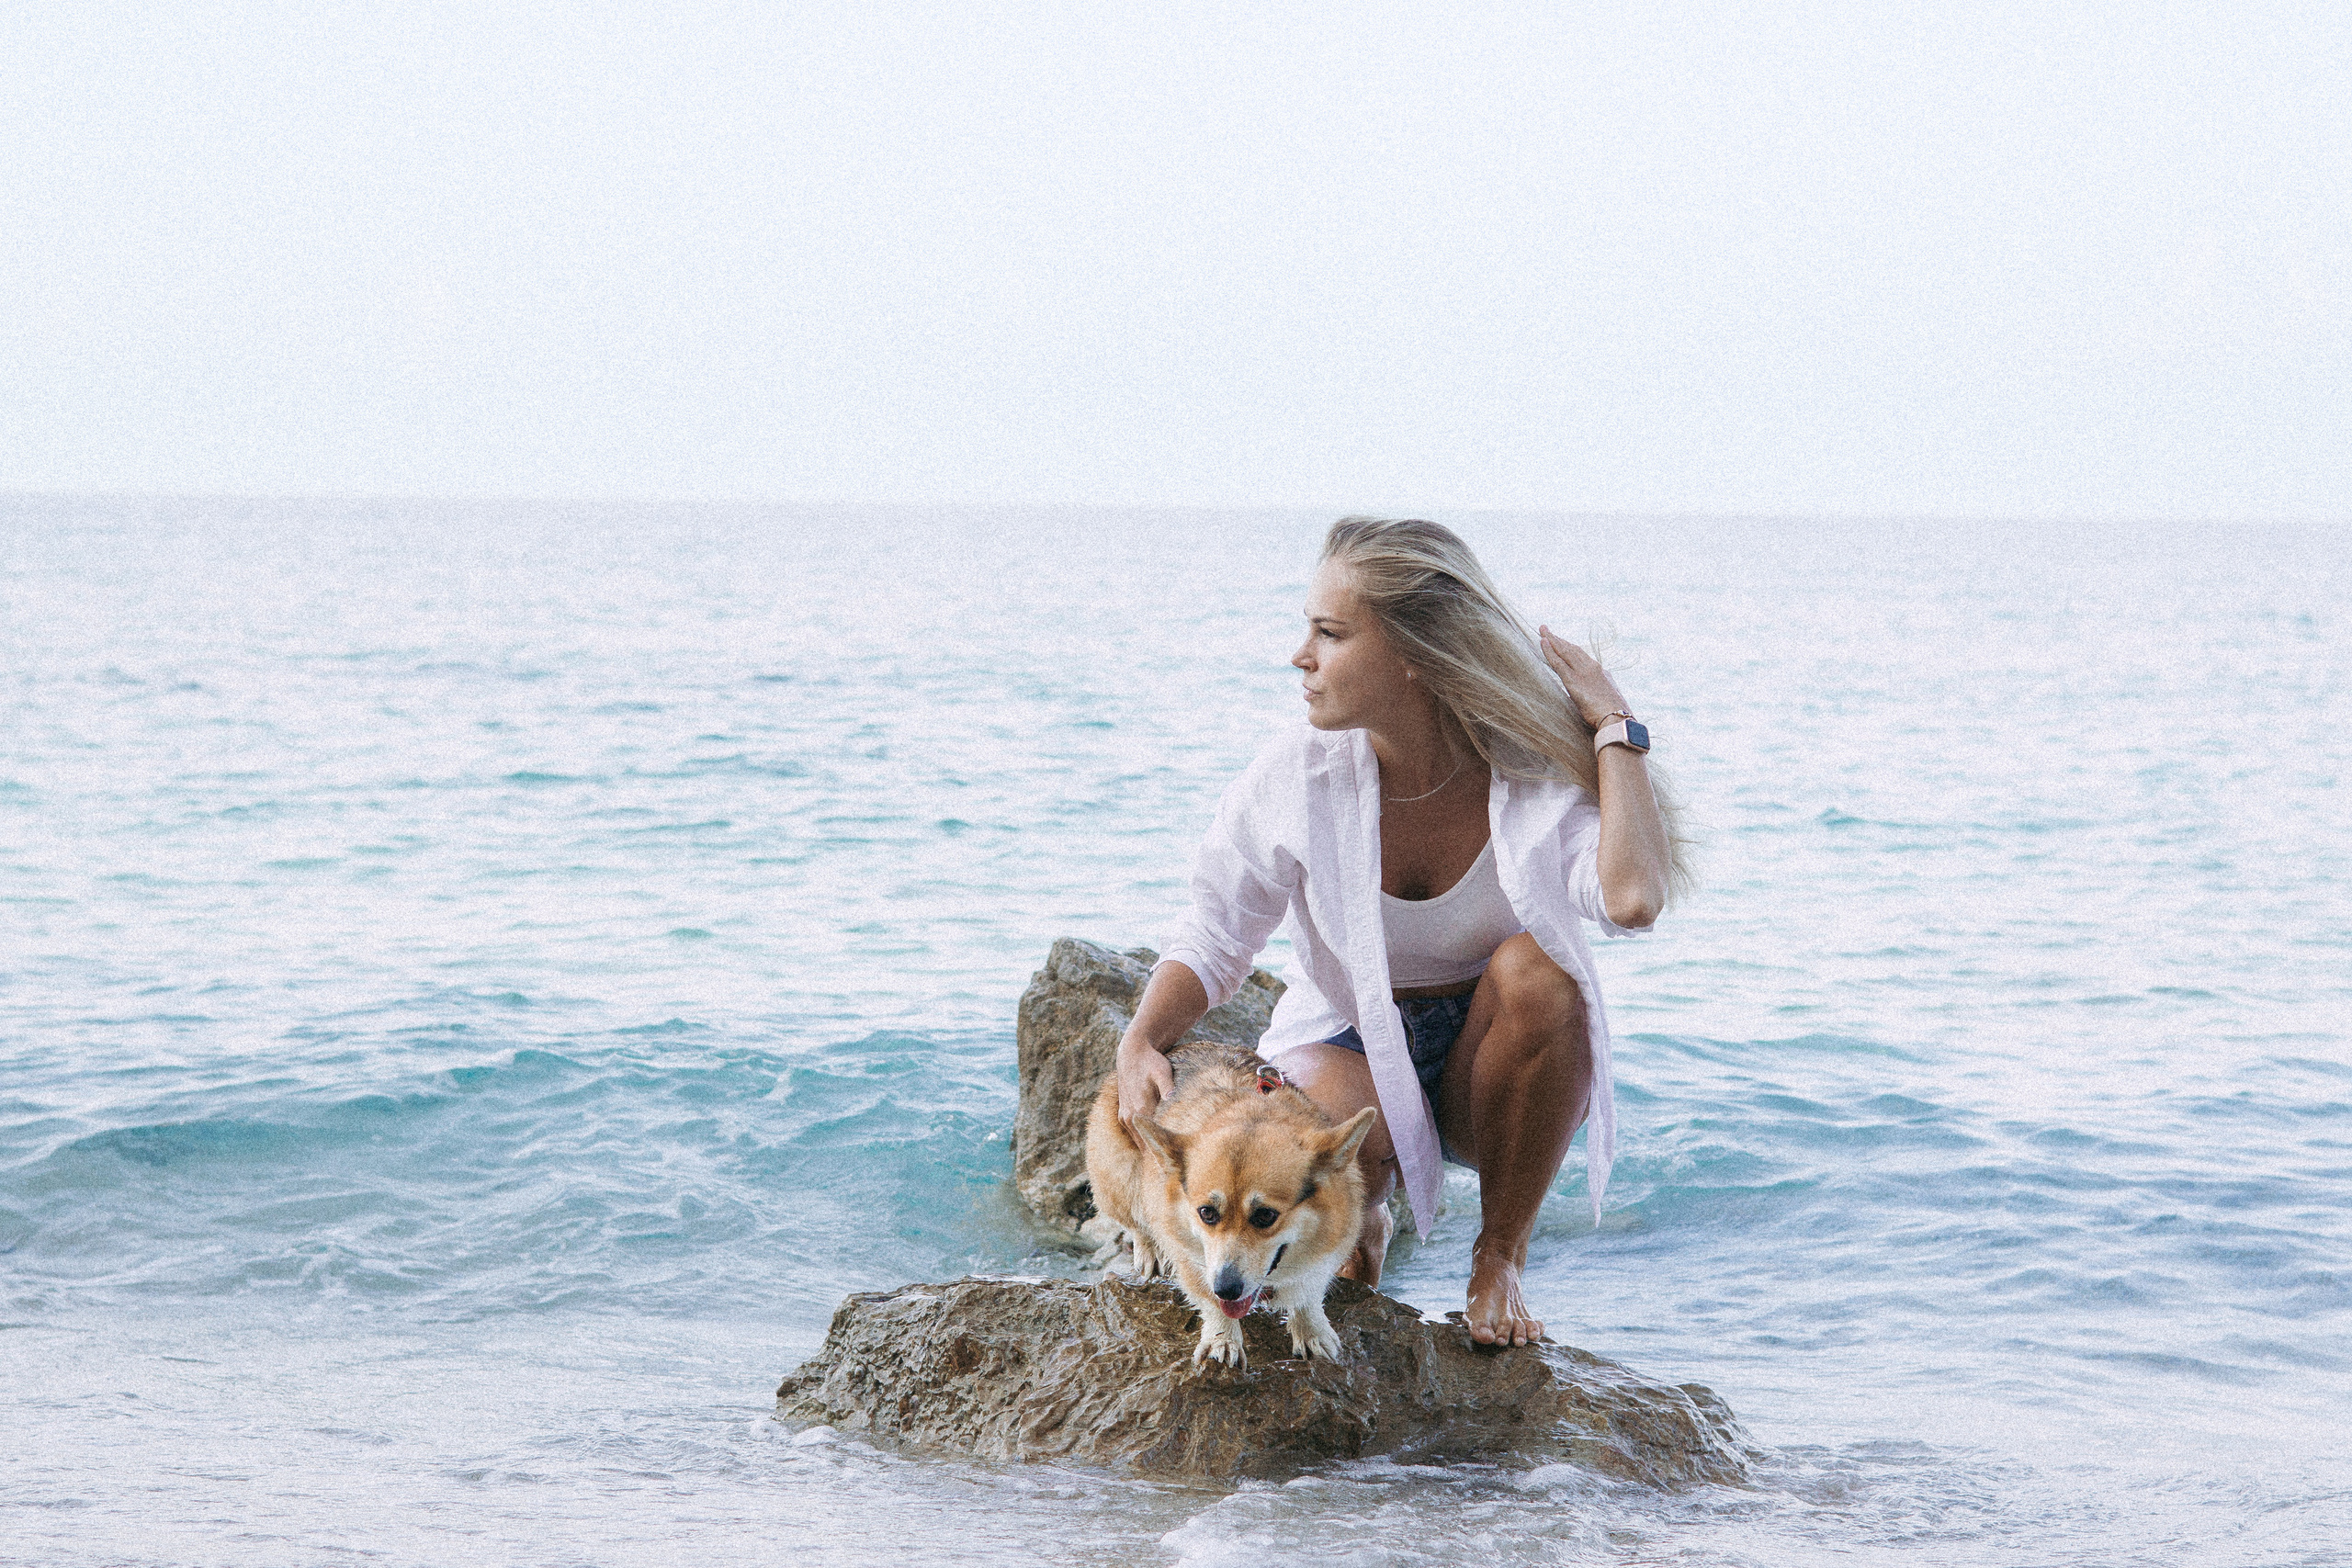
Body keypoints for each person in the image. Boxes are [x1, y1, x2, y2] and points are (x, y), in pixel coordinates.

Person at [1113, 517, 1690, 1347]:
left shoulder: (1525, 773)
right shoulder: (1297, 773)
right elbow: (1216, 926)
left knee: (1543, 971)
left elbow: (1631, 900)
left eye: (1330, 633)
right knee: (1315, 1149)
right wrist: (1142, 1038)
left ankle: (1499, 1259)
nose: (1299, 654)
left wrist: (1616, 727)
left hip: (1488, 1058)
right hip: (1347, 1040)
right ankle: (1366, 1217)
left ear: (1415, 656)